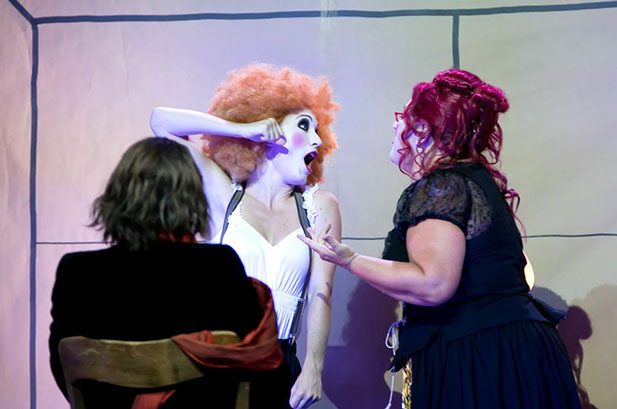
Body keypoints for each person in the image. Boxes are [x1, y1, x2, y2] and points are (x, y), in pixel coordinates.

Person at [299, 69, 582, 408]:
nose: (394, 125)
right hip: (516, 353)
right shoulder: (473, 181)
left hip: (482, 360)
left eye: (402, 117)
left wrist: (350, 260)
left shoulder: (442, 187)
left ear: (422, 131)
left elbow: (433, 284)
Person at [149, 64, 341, 409]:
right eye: (303, 125)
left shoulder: (319, 206)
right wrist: (243, 129)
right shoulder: (225, 198)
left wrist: (314, 366)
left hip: (280, 364)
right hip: (218, 365)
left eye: (317, 130)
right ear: (268, 129)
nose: (316, 139)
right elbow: (161, 123)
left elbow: (321, 293)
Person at [49, 137, 280, 409]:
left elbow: (64, 368)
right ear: (193, 199)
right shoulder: (219, 266)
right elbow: (261, 368)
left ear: (117, 198)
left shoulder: (78, 273)